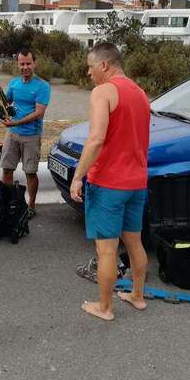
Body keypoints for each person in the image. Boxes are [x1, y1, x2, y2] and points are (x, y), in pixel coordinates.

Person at [70, 42, 150, 321]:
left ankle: (105, 308)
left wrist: (78, 176)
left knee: (106, 250)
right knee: (135, 243)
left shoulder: (103, 92)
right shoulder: (140, 93)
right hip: (137, 183)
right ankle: (137, 295)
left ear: (104, 65)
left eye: (90, 67)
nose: (88, 73)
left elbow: (96, 139)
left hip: (109, 184)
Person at [0, 49, 51, 218]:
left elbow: (39, 113)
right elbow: (6, 101)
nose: (25, 67)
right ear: (18, 64)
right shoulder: (14, 83)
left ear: (34, 64)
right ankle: (8, 203)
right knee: (7, 169)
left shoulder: (43, 86)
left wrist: (16, 122)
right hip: (12, 133)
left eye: (28, 63)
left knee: (30, 172)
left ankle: (31, 205)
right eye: (22, 64)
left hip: (31, 135)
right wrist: (3, 111)